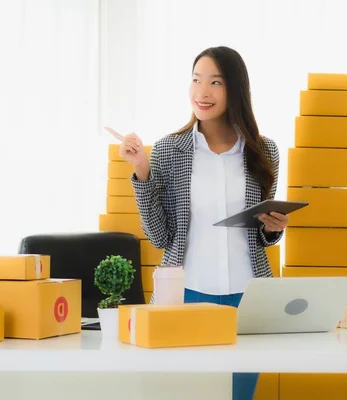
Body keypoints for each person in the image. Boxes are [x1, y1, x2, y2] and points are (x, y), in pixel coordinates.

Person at [106, 46, 288, 400]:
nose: (202, 92)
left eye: (215, 82)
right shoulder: (168, 150)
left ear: (235, 89)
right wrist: (142, 172)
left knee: (238, 394)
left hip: (249, 299)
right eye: (196, 80)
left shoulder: (264, 152)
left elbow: (262, 236)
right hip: (185, 295)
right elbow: (160, 236)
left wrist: (272, 228)